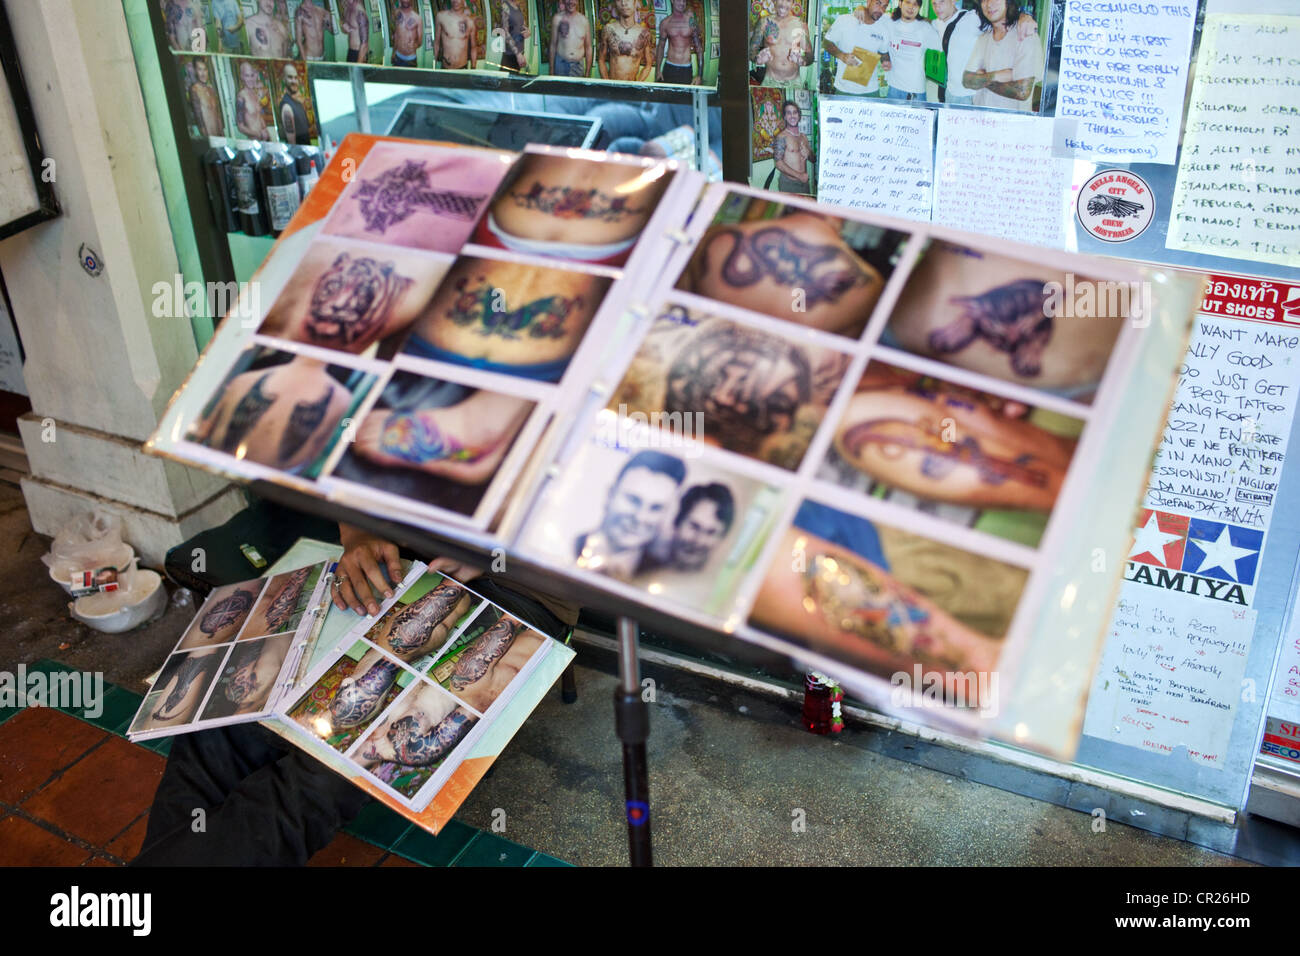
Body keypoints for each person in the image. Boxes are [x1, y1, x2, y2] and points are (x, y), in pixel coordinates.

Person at [575, 450, 686, 581]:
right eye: (633, 500)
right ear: (610, 495)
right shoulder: (566, 548)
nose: (640, 517)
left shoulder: (663, 575)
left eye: (656, 508)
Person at [931, 0, 1036, 105]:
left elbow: (1002, 18)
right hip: (951, 93)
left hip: (971, 95)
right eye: (934, 3)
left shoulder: (972, 18)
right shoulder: (938, 24)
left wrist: (1025, 16)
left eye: (941, 2)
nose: (937, 7)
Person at [963, 0, 1042, 112]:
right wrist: (997, 76)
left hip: (1011, 123)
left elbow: (1022, 91)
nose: (989, 4)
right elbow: (967, 80)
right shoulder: (984, 38)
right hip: (980, 119)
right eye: (983, 0)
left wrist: (982, 79)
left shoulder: (1026, 36)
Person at [640, 483, 734, 574]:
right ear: (678, 521)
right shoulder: (642, 568)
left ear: (722, 537)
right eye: (694, 527)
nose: (698, 541)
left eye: (710, 532)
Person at [822, 0, 889, 97]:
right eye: (878, 3)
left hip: (871, 91)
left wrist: (886, 62)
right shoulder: (844, 20)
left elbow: (884, 53)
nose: (881, 10)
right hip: (843, 90)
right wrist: (842, 56)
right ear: (868, 2)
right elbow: (826, 42)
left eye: (885, 6)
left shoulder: (883, 29)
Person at [883, 0, 939, 103]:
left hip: (915, 92)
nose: (911, 7)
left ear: (919, 8)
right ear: (900, 4)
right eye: (908, 2)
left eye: (915, 4)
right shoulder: (889, 23)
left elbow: (944, 46)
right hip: (893, 89)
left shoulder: (925, 28)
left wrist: (935, 23)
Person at [750, 0, 813, 88]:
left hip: (794, 82)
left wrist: (802, 60)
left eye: (788, 1)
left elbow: (810, 56)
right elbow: (751, 51)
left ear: (793, 3)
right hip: (770, 81)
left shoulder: (800, 25)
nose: (783, 4)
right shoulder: (764, 22)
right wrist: (758, 59)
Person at [598, 0, 654, 82]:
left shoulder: (644, 33)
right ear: (616, 4)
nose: (624, 3)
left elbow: (648, 64)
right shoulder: (609, 29)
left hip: (632, 88)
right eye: (619, 0)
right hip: (613, 86)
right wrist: (607, 82)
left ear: (635, 3)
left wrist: (638, 83)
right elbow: (601, 60)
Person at [656, 0, 702, 85]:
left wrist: (699, 75)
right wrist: (658, 70)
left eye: (684, 1)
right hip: (669, 67)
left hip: (686, 69)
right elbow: (661, 47)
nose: (682, 3)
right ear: (672, 1)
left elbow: (699, 48)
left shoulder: (691, 21)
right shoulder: (665, 23)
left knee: (685, 97)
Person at [772, 99, 813, 195]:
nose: (792, 116)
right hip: (789, 185)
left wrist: (808, 153)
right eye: (789, 113)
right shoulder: (782, 137)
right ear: (785, 117)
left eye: (795, 113)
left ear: (799, 116)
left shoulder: (803, 137)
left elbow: (813, 159)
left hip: (804, 184)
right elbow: (778, 163)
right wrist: (800, 176)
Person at [550, 0, 592, 77]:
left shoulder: (584, 21)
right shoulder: (557, 19)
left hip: (578, 67)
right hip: (560, 66)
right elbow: (553, 45)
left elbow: (588, 48)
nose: (571, 2)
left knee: (578, 89)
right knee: (559, 89)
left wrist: (588, 72)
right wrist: (551, 71)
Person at [235, 60, 272, 141]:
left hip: (265, 139)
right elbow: (240, 127)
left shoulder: (255, 94)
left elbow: (259, 116)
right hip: (254, 140)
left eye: (252, 75)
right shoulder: (241, 97)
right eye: (247, 76)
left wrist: (265, 130)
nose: (251, 79)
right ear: (242, 77)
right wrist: (259, 134)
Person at [435, 0, 478, 69]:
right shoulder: (441, 17)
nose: (455, 1)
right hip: (446, 67)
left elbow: (473, 48)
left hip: (462, 68)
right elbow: (436, 43)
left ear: (463, 1)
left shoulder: (470, 22)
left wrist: (473, 68)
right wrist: (434, 65)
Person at [278, 63, 314, 145]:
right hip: (300, 155)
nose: (294, 81)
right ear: (284, 79)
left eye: (295, 78)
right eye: (290, 77)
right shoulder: (287, 107)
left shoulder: (298, 104)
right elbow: (292, 143)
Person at [187, 58, 224, 137]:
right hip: (209, 137)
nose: (203, 74)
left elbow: (217, 115)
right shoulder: (194, 89)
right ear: (195, 71)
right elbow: (198, 117)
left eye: (205, 70)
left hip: (219, 136)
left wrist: (223, 136)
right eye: (200, 70)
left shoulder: (211, 90)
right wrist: (206, 138)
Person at [494, 0, 530, 72]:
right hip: (511, 54)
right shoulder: (505, 6)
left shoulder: (517, 6)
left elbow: (521, 25)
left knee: (515, 81)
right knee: (506, 81)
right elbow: (505, 32)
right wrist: (518, 54)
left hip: (520, 52)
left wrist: (528, 31)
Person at [390, 0, 423, 66]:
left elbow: (419, 42)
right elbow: (396, 35)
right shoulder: (397, 15)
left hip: (410, 60)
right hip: (397, 56)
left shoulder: (417, 19)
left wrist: (413, 46)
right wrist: (393, 53)